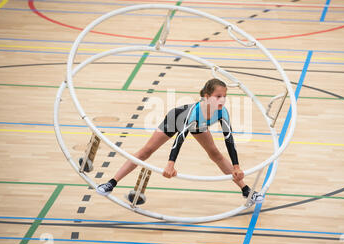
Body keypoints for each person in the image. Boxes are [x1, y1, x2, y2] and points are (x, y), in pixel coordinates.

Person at [96, 78, 260, 204]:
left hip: (198, 126)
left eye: (224, 96)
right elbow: (180, 138)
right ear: (206, 97)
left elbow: (229, 139)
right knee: (146, 151)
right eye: (218, 96)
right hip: (175, 120)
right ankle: (111, 183)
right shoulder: (195, 113)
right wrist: (170, 164)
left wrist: (237, 166)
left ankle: (246, 190)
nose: (222, 100)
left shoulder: (222, 112)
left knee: (216, 154)